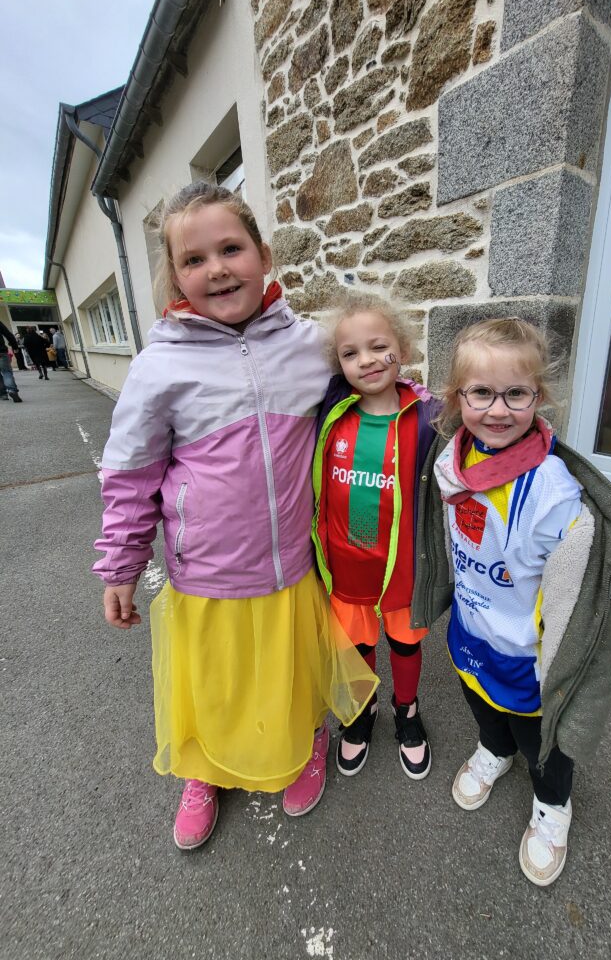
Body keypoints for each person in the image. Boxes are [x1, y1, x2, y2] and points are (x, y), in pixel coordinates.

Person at [92, 181, 377, 851]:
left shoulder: (310, 346)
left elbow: (373, 392)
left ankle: (303, 742)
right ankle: (206, 766)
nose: (216, 269)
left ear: (263, 254)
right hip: (207, 573)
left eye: (230, 249)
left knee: (290, 672)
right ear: (175, 277)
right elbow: (130, 476)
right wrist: (121, 566)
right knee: (215, 682)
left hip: (292, 567)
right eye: (194, 260)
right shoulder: (159, 367)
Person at [412, 318, 611, 886]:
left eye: (515, 393)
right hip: (472, 628)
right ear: (457, 397)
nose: (498, 410)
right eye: (481, 392)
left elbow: (576, 589)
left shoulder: (554, 491)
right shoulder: (448, 463)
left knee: (541, 738)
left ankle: (552, 804)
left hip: (528, 651)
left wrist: (556, 660)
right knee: (481, 704)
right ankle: (492, 751)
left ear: (538, 397)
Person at [311, 294, 440, 780]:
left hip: (402, 565)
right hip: (348, 565)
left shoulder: (430, 417)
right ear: (338, 364)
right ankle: (362, 710)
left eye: (379, 346)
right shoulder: (329, 413)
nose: (366, 360)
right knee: (358, 645)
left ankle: (407, 709)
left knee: (405, 645)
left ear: (401, 349)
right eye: (351, 353)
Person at [0, 320, 22, 402]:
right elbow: (8, 334)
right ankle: (12, 390)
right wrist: (15, 346)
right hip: (1, 352)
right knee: (6, 372)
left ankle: (3, 394)